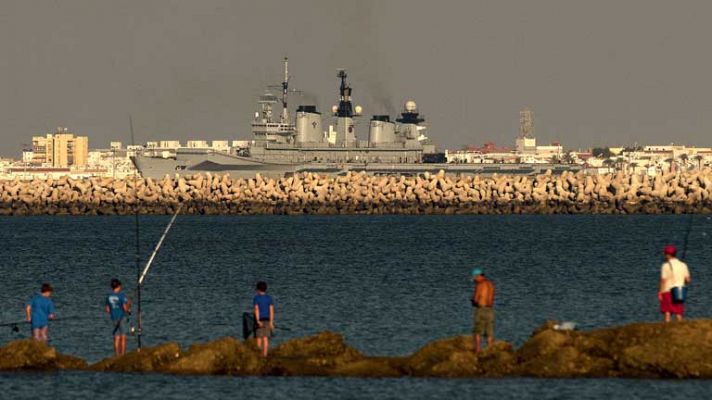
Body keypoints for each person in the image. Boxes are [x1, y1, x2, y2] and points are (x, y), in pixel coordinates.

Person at [658, 245, 691, 323]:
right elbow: (688, 280)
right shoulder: (683, 265)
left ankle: (667, 330)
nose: (665, 255)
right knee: (679, 313)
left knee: (667, 312)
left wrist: (660, 292)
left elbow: (663, 280)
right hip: (679, 291)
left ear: (668, 254)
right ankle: (680, 329)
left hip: (667, 291)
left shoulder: (665, 265)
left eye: (665, 253)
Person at [471, 268, 495, 353]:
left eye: (475, 278)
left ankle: (477, 351)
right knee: (489, 332)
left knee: (477, 331)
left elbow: (476, 299)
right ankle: (491, 350)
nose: (474, 280)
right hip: (490, 310)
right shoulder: (491, 284)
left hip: (481, 309)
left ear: (478, 276)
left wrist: (473, 301)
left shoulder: (480, 285)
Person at [105, 278, 131, 356]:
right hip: (122, 318)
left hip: (114, 318)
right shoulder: (121, 296)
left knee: (116, 337)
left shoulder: (109, 296)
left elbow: (107, 310)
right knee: (123, 337)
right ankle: (122, 355)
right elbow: (125, 309)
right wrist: (129, 304)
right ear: (119, 286)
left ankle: (116, 355)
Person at [253, 281, 275, 357]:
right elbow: (271, 310)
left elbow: (256, 309)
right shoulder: (269, 298)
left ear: (258, 290)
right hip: (267, 320)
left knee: (259, 339)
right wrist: (271, 322)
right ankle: (265, 355)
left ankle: (258, 356)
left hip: (260, 320)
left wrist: (258, 320)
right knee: (265, 339)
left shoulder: (256, 298)